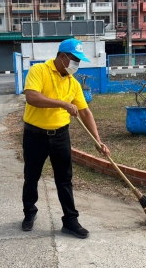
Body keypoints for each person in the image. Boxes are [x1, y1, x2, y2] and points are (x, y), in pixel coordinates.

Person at [21, 38, 111, 239]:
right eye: (74, 59)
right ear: (62, 57)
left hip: (61, 136)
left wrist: (98, 140)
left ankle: (70, 220)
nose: (76, 65)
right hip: (35, 135)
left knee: (64, 180)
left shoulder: (73, 83)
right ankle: (29, 213)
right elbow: (31, 97)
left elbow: (85, 111)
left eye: (79, 61)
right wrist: (61, 104)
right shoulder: (39, 71)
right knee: (32, 176)